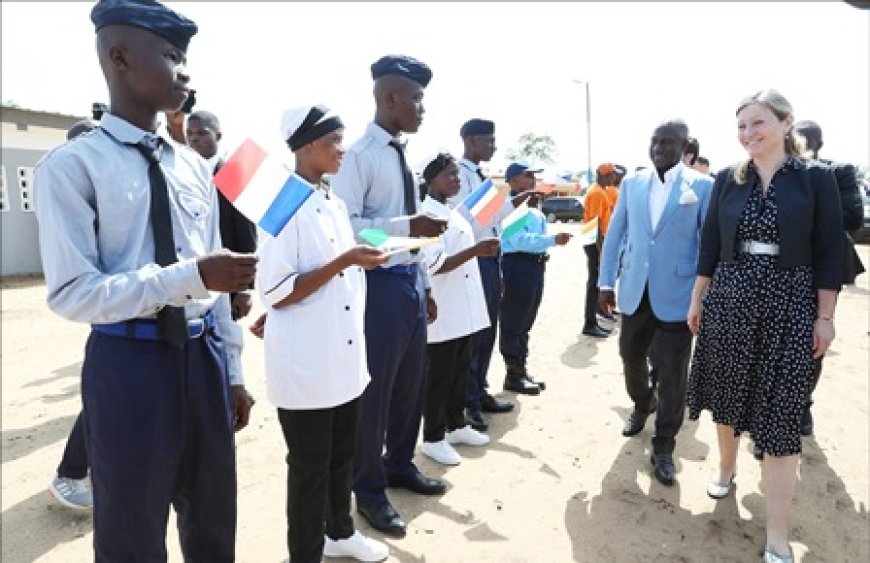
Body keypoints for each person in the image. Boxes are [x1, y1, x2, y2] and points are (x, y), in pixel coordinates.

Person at [33, 1, 258, 559]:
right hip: (129, 365)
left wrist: (230, 372)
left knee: (212, 517)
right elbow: (72, 292)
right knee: (131, 529)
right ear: (120, 58)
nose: (186, 73)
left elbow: (218, 286)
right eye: (171, 56)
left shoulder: (193, 167)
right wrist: (187, 277)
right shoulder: (73, 167)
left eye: (186, 58)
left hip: (202, 359)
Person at [686, 90, 843, 563]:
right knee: (729, 397)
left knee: (782, 415)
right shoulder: (727, 179)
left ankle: (777, 534)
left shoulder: (817, 178)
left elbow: (829, 251)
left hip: (792, 300)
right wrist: (698, 299)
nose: (748, 134)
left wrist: (826, 316)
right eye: (741, 127)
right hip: (731, 295)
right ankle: (727, 466)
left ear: (785, 122)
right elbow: (710, 243)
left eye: (758, 123)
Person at [258, 104, 389, 563]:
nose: (342, 149)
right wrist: (344, 262)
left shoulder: (332, 200)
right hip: (307, 366)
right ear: (307, 145)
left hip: (343, 358)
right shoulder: (282, 203)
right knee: (310, 472)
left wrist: (363, 254)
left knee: (341, 461)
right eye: (334, 140)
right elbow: (275, 290)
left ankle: (341, 533)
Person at [331, 54, 448, 538]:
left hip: (407, 284)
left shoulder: (401, 154)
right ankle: (370, 490)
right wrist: (407, 227)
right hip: (376, 287)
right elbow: (347, 229)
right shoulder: (357, 156)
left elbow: (410, 230)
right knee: (376, 395)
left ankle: (400, 463)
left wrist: (423, 282)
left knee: (410, 387)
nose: (423, 109)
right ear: (389, 98)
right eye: (417, 99)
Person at [598, 119, 713, 486]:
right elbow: (615, 234)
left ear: (684, 148)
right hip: (635, 290)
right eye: (655, 142)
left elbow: (708, 244)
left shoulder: (703, 186)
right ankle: (641, 402)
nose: (659, 148)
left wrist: (703, 296)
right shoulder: (632, 183)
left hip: (678, 295)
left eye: (668, 143)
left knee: (673, 372)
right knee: (630, 356)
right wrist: (604, 283)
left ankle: (664, 445)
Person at [417, 152, 497, 465]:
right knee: (439, 376)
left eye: (457, 174)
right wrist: (477, 250)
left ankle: (455, 424)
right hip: (443, 310)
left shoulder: (454, 211)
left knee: (460, 371)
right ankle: (433, 437)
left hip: (464, 309)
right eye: (450, 175)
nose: (456, 179)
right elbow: (434, 265)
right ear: (432, 179)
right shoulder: (425, 215)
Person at [791, 119, 865, 438]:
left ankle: (802, 404)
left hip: (821, 270)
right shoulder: (778, 173)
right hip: (781, 268)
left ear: (817, 143)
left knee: (814, 338)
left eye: (802, 139)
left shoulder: (839, 171)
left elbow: (853, 218)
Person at [48, 118, 101, 512]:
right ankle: (69, 473)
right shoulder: (66, 185)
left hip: (123, 304)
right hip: (108, 307)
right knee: (103, 394)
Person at [451, 118, 516, 432]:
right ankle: (469, 401)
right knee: (473, 334)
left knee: (488, 329)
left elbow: (493, 219)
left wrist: (512, 202)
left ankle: (480, 389)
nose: (493, 146)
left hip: (489, 260)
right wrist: (495, 204)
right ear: (472, 141)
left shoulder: (483, 177)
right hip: (471, 260)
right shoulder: (457, 175)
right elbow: (463, 221)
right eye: (489, 141)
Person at [499, 161, 573, 395]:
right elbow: (520, 241)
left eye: (533, 175)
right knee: (514, 320)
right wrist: (552, 241)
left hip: (533, 266)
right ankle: (513, 373)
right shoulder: (511, 209)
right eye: (526, 175)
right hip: (517, 266)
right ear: (512, 181)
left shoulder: (533, 209)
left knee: (526, 320)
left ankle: (521, 368)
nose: (532, 179)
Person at [186, 110, 258, 321]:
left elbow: (246, 235)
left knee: (227, 345)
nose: (194, 138)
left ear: (218, 136)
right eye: (190, 133)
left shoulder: (231, 175)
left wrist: (245, 288)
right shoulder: (183, 175)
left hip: (227, 280)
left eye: (202, 132)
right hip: (192, 279)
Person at [581, 163, 618, 338]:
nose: (614, 177)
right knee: (594, 283)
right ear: (603, 175)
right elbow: (594, 225)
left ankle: (597, 314)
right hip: (594, 242)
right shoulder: (596, 193)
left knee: (596, 281)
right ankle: (589, 323)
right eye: (611, 174)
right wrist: (602, 250)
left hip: (596, 241)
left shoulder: (601, 191)